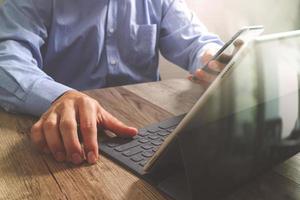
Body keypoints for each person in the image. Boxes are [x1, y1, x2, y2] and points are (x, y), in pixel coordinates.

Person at [0, 0, 223, 165]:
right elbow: (7, 62)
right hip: (70, 137)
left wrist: (212, 59)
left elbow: (198, 42)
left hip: (153, 129)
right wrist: (58, 96)